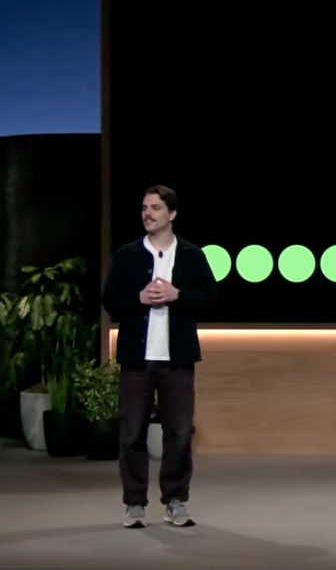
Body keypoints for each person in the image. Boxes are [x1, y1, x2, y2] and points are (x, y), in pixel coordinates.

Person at [101, 185, 218, 528]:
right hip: (136, 361)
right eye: (144, 208)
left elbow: (210, 298)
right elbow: (110, 300)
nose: (147, 214)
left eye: (155, 208)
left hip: (177, 360)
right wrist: (138, 298)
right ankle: (135, 503)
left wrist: (177, 294)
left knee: (179, 433)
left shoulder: (192, 255)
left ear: (172, 213)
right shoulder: (128, 255)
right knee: (131, 434)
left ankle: (176, 500)